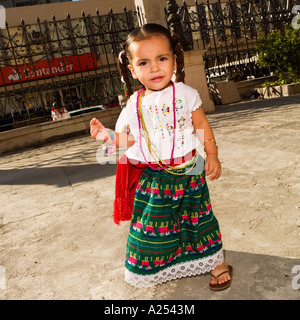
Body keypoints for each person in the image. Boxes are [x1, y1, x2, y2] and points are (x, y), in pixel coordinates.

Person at [90, 23, 232, 291]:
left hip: (190, 168)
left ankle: (216, 263)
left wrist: (212, 154)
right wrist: (105, 137)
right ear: (132, 70)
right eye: (144, 62)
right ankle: (161, 266)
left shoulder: (187, 95)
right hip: (153, 177)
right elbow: (128, 140)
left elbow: (202, 126)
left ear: (174, 60)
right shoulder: (134, 105)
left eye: (162, 58)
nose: (154, 68)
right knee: (151, 229)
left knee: (199, 220)